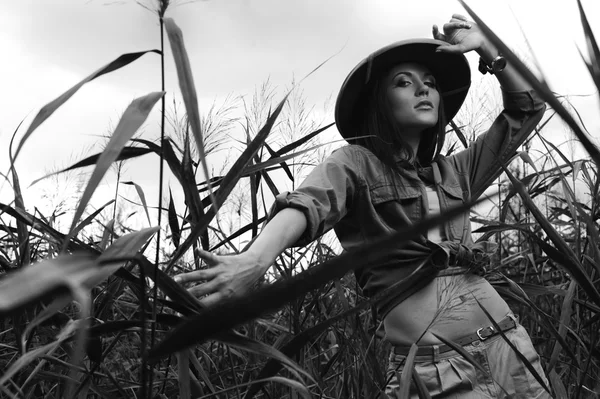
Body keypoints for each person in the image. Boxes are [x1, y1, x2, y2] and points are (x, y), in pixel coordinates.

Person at [175, 14, 551, 398]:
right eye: (403, 83)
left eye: (431, 84)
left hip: (510, 349)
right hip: (435, 370)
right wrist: (255, 260)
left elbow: (527, 109)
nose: (422, 90)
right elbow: (305, 206)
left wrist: (488, 49)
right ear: (379, 102)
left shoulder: (457, 171)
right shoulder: (354, 163)